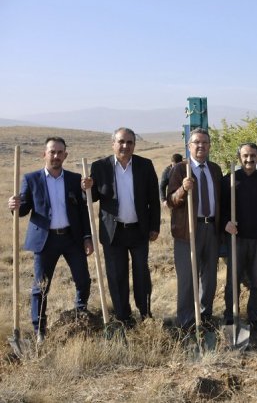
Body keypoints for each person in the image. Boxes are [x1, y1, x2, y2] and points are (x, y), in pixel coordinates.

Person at [8, 137, 92, 342]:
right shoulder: (31, 179)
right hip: (45, 241)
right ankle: (39, 331)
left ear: (65, 155)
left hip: (71, 238)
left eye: (59, 152)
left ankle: (80, 313)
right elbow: (24, 210)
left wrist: (87, 237)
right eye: (52, 152)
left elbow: (83, 211)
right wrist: (15, 205)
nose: (55, 156)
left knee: (83, 280)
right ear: (44, 154)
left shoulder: (74, 179)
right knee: (41, 287)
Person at [83, 127, 160, 326]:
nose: (125, 146)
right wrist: (86, 189)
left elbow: (153, 199)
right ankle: (123, 317)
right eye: (121, 142)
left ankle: (145, 313)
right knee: (117, 276)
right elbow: (91, 198)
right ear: (113, 144)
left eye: (129, 142)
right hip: (113, 233)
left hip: (139, 231)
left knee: (141, 273)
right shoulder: (100, 167)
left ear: (134, 144)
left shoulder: (145, 165)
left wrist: (154, 226)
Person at [166, 128, 223, 330]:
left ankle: (205, 315)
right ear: (189, 146)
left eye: (205, 143)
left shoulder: (215, 169)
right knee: (188, 278)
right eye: (196, 143)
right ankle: (186, 320)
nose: (201, 146)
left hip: (211, 228)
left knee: (209, 277)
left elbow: (222, 200)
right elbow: (170, 201)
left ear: (209, 146)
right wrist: (182, 189)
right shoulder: (181, 169)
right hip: (188, 231)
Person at [222, 143, 257, 330]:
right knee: (233, 281)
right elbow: (220, 209)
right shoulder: (230, 180)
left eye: (253, 155)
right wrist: (225, 223)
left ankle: (254, 317)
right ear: (239, 157)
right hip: (236, 239)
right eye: (245, 155)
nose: (249, 159)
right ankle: (231, 317)